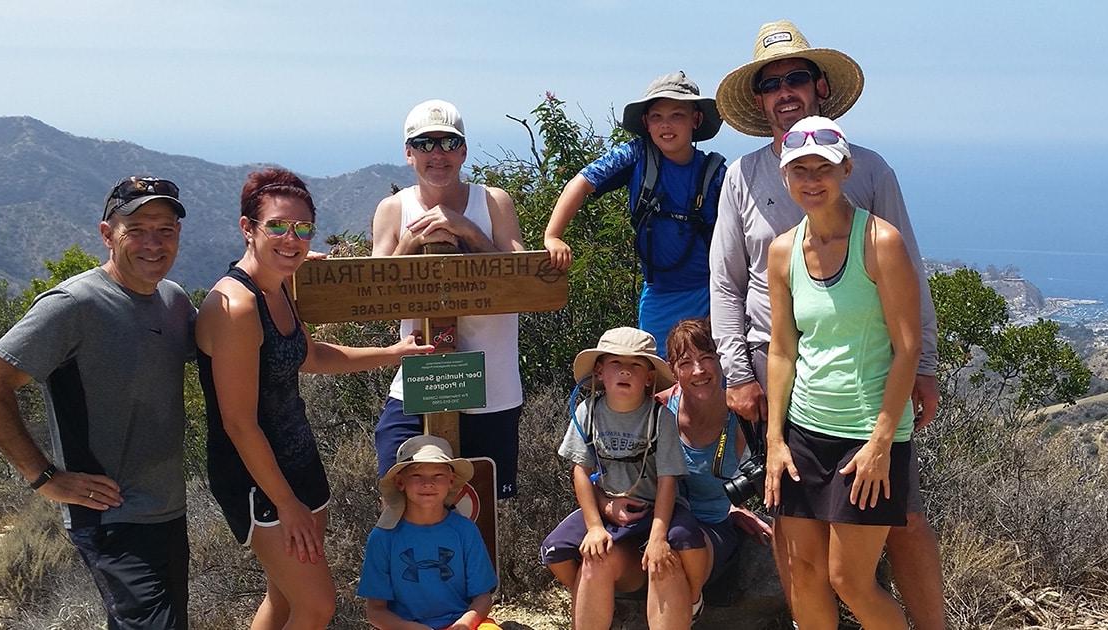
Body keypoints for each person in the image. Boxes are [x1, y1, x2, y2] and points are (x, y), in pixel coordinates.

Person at [711, 20, 946, 628]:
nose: (784, 90)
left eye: (796, 77)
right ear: (760, 99)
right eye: (771, 82)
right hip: (777, 380)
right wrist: (739, 375)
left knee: (901, 524)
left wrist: (923, 366)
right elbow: (727, 282)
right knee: (796, 551)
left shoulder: (871, 171)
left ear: (819, 86)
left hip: (870, 381)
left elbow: (909, 272)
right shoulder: (743, 176)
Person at [196, 167, 432, 629]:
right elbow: (239, 423)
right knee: (318, 605)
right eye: (278, 226)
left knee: (283, 599)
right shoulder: (236, 308)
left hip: (298, 460)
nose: (292, 237)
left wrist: (395, 352)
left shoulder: (279, 285)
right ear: (247, 228)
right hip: (256, 479)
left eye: (303, 228)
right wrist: (285, 503)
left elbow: (308, 356)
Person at [0, 176, 195, 630]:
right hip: (110, 516)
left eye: (165, 230)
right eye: (137, 229)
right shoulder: (74, 304)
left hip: (168, 509)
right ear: (107, 234)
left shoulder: (174, 300)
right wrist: (44, 476)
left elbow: (229, 343)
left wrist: (288, 280)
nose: (154, 243)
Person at [764, 116, 920, 630]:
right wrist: (774, 440)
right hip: (804, 432)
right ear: (785, 177)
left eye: (823, 168)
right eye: (799, 170)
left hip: (865, 439)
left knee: (849, 580)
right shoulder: (783, 251)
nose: (812, 180)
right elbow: (783, 349)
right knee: (804, 574)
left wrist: (881, 443)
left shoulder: (881, 242)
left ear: (846, 169)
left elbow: (907, 347)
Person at [371, 99, 525, 499]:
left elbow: (521, 283)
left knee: (481, 512)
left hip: (494, 390)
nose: (436, 154)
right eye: (424, 143)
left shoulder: (493, 202)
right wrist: (411, 239)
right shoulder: (392, 209)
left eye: (447, 142)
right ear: (408, 153)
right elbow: (373, 294)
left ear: (463, 151)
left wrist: (468, 231)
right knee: (400, 500)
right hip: (417, 385)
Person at [596, 319, 775, 613]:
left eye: (707, 358)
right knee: (598, 557)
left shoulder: (743, 417)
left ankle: (691, 604)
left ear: (722, 360)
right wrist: (605, 504)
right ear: (673, 369)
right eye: (686, 362)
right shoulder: (659, 408)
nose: (699, 370)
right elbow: (599, 467)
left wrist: (733, 509)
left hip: (708, 526)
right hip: (654, 523)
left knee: (676, 549)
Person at [543, 71, 727, 353]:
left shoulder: (716, 174)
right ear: (646, 123)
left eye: (677, 114)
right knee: (660, 381)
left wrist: (724, 307)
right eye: (657, 117)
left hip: (710, 294)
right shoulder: (637, 156)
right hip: (658, 296)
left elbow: (738, 240)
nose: (666, 125)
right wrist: (553, 236)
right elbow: (580, 183)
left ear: (696, 119)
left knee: (709, 379)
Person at [540, 327, 706, 629]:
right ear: (601, 372)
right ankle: (599, 598)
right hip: (606, 506)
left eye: (636, 365)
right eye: (617, 363)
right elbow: (580, 470)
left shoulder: (659, 418)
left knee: (683, 542)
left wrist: (658, 535)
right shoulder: (587, 412)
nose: (626, 372)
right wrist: (594, 525)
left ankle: (692, 599)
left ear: (649, 378)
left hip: (654, 506)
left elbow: (668, 479)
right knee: (557, 550)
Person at [359, 435, 501, 630]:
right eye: (417, 475)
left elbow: (483, 597)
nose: (428, 483)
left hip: (462, 622)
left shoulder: (465, 530)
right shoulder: (383, 538)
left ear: (451, 481)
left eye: (438, 475)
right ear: (400, 482)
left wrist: (464, 625)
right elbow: (375, 611)